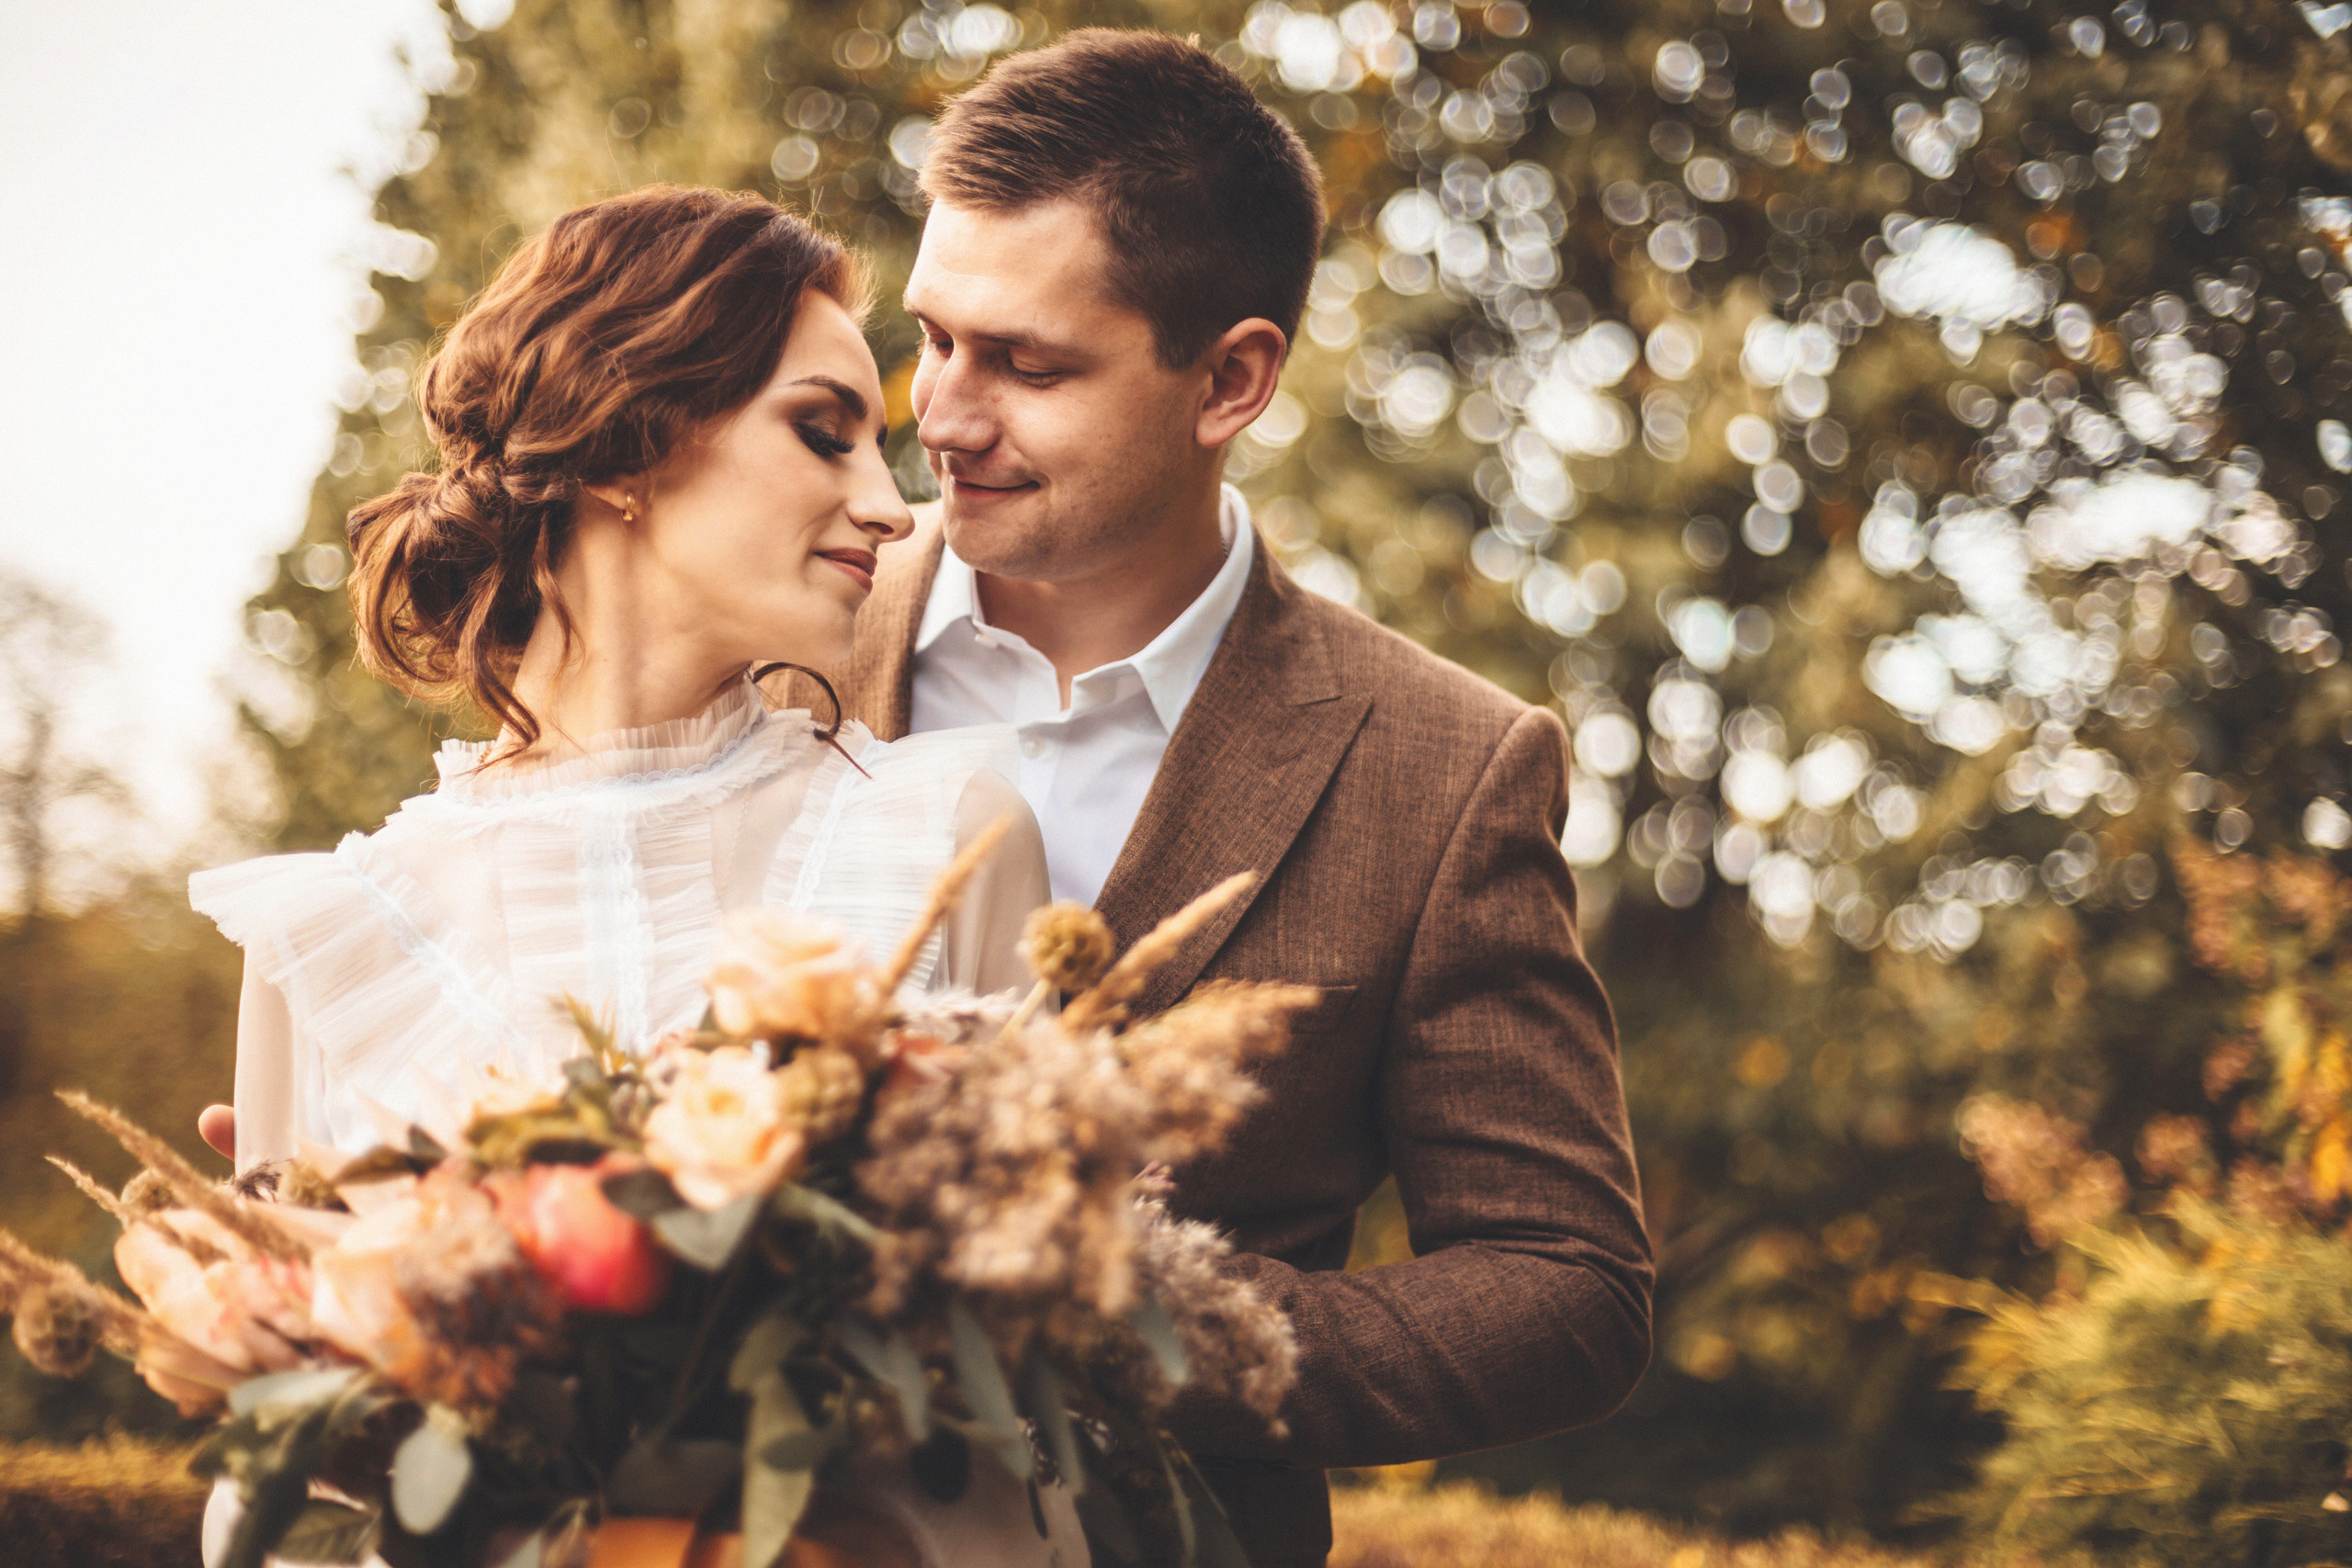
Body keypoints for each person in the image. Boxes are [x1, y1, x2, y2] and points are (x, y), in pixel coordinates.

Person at [818, 30, 1656, 1568]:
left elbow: (1567, 1284)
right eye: (933, 339)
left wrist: (1144, 1327)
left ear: (1232, 380)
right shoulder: (777, 636)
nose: (939, 415)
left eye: (1027, 363)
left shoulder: (1445, 766)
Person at [187, 185, 1071, 1566]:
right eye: (824, 432)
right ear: (623, 442)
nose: (894, 510)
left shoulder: (953, 840)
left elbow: (1032, 1445)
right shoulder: (331, 943)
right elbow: (286, 1501)